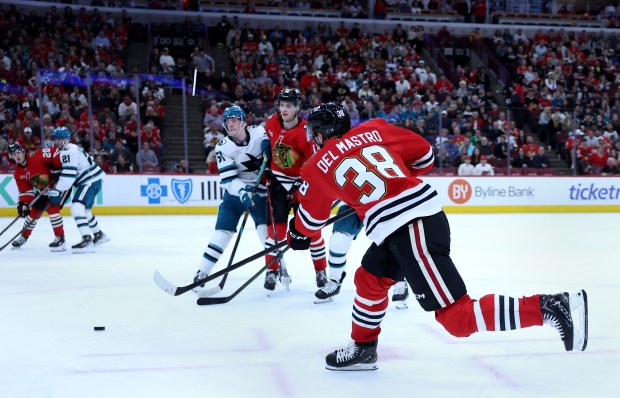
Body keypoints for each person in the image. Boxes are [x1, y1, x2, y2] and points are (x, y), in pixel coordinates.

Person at [287, 103, 588, 371]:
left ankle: (550, 306)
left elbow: (310, 219)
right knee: (370, 278)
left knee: (456, 318)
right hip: (411, 222)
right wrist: (393, 177)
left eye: (314, 132)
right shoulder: (374, 128)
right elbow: (424, 155)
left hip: (409, 227)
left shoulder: (316, 166)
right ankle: (364, 349)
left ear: (322, 132)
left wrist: (296, 235)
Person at [193, 105, 271, 292]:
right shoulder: (223, 147)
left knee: (265, 233)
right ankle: (202, 272)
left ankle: (276, 269)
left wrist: (268, 144)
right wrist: (243, 192)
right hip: (236, 194)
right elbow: (228, 179)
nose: (230, 124)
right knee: (222, 233)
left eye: (234, 120)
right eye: (227, 122)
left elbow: (271, 136)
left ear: (243, 122)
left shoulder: (260, 132)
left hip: (260, 191)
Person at [263, 88, 326, 292]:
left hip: (301, 185)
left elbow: (314, 161)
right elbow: (262, 138)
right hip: (278, 184)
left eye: (289, 105)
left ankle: (320, 271)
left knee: (311, 229)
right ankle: (271, 270)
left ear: (297, 108)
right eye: (282, 105)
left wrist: (303, 184)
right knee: (275, 230)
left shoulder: (306, 132)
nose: (284, 109)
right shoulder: (272, 122)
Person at [317, 203, 410, 308]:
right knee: (338, 239)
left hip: (388, 205)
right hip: (356, 203)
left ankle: (399, 280)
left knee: (395, 242)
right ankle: (334, 280)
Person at [50, 127, 110, 253]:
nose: (56, 142)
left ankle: (87, 239)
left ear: (66, 139)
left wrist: (57, 190)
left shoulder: (67, 151)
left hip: (89, 181)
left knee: (76, 207)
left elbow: (68, 176)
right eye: (55, 139)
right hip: (93, 180)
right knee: (85, 210)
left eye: (59, 139)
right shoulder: (71, 148)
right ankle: (98, 234)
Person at [8, 142, 66, 251]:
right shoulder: (18, 173)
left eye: (18, 152)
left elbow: (57, 151)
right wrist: (24, 204)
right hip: (43, 190)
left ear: (23, 151)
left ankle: (60, 238)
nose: (17, 156)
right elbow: (26, 192)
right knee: (32, 214)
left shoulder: (37, 156)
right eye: (13, 154)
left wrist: (58, 167)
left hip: (59, 186)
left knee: (53, 210)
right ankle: (24, 236)